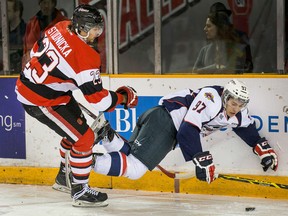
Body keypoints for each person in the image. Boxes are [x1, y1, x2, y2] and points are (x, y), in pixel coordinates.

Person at [15, 4, 138, 207]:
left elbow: (36, 51)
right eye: (93, 30)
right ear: (81, 28)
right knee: (85, 138)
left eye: (99, 30)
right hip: (40, 99)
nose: (96, 35)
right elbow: (99, 101)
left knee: (75, 133)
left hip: (46, 89)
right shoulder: (86, 56)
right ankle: (80, 190)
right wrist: (123, 98)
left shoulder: (61, 26)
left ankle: (64, 177)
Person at [91, 79, 278, 184]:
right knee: (135, 169)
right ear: (225, 97)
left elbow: (246, 126)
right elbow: (187, 130)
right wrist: (201, 158)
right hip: (166, 123)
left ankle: (107, 134)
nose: (235, 108)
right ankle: (86, 162)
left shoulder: (237, 112)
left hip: (159, 118)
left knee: (130, 155)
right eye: (233, 103)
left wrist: (262, 148)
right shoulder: (212, 98)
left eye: (240, 105)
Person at [22, 0, 68, 68]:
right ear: (39, 4)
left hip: (58, 66)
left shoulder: (64, 23)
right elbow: (27, 50)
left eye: (49, 2)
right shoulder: (32, 23)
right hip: (35, 67)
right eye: (44, 2)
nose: (46, 6)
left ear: (54, 4)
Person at [209, 2, 253, 72]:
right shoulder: (210, 44)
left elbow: (248, 66)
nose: (221, 21)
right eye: (217, 18)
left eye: (223, 17)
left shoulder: (241, 38)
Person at [7, 0, 26, 73]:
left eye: (8, 11)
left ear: (17, 12)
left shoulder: (27, 31)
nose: (4, 13)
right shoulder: (2, 33)